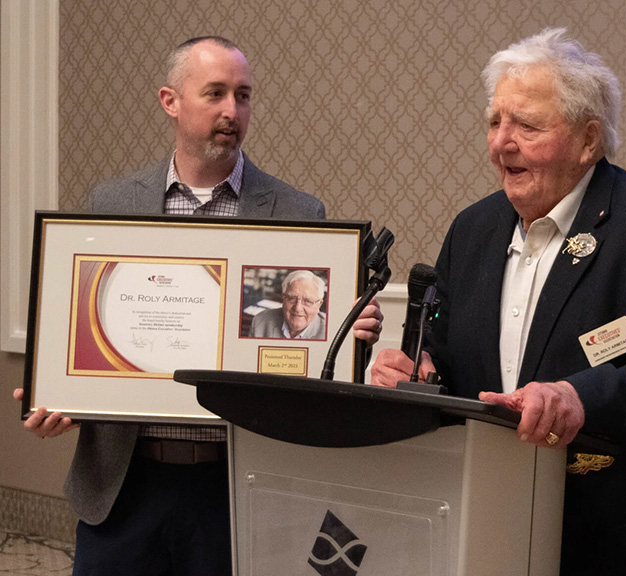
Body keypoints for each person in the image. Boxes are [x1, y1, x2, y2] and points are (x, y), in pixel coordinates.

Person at [13, 36, 383, 575]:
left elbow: (305, 362)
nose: (232, 111)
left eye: (243, 95)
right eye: (214, 93)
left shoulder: (297, 212)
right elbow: (87, 336)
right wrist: (60, 399)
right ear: (171, 101)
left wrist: (346, 332)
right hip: (123, 488)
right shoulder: (111, 204)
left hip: (235, 486)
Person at [371, 28, 626, 575]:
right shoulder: (473, 229)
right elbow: (445, 355)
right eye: (495, 122)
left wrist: (576, 396)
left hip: (623, 541)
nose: (501, 143)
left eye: (527, 126)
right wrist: (419, 375)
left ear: (588, 141)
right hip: (492, 527)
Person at [249, 270, 328, 339]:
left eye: (307, 301)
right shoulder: (260, 322)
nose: (298, 308)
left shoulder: (330, 331)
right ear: (283, 299)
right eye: (291, 298)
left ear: (319, 305)